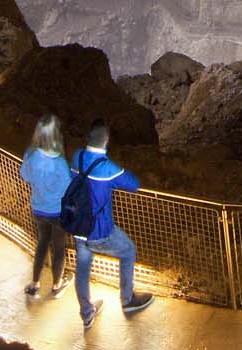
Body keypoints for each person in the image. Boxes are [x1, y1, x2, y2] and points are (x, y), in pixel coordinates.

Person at [70, 120, 153, 328]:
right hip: (99, 231)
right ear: (107, 144)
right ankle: (127, 300)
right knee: (128, 250)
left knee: (82, 269)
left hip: (78, 226)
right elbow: (134, 184)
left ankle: (87, 313)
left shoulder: (77, 156)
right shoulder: (107, 169)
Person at [19, 114, 73, 297]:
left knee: (42, 243)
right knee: (58, 248)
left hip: (38, 208)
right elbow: (68, 189)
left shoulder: (30, 154)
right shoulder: (60, 163)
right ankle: (57, 286)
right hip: (57, 213)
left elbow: (25, 176)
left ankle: (34, 284)